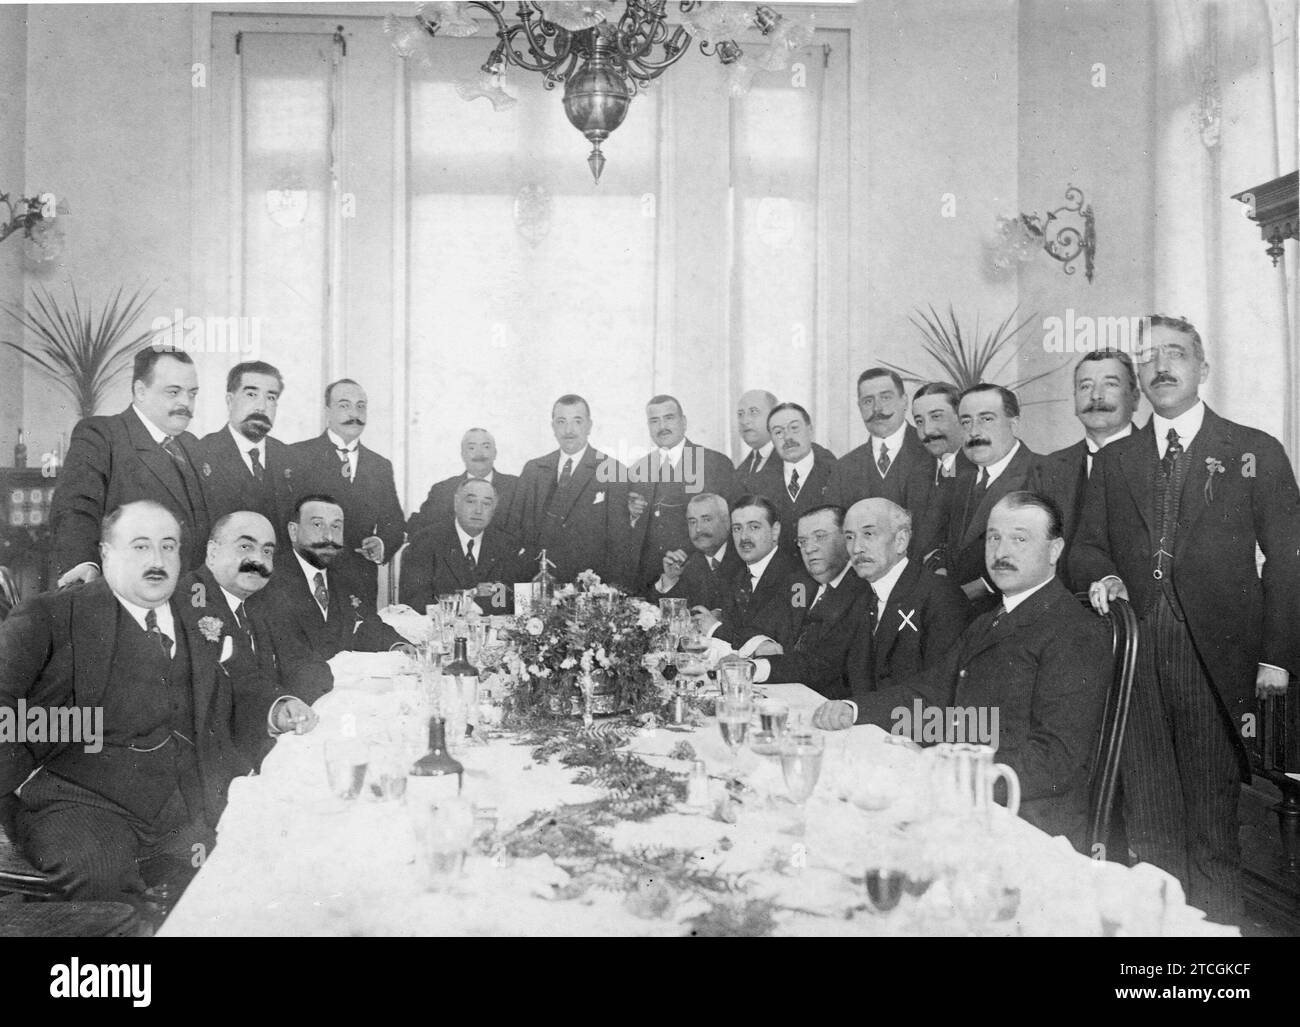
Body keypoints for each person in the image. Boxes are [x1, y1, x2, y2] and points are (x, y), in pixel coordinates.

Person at [1073, 315, 1300, 924]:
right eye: (1148, 357)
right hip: (1136, 661)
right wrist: (1103, 575)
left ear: (1203, 368)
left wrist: (1275, 657)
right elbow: (1084, 548)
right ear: (1139, 377)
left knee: (1212, 832)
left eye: (1175, 353)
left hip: (1216, 662)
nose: (1161, 365)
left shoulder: (1254, 450)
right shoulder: (1117, 459)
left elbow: (1288, 561)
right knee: (1151, 830)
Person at [0, 501, 315, 905]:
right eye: (140, 547)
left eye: (169, 547)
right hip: (78, 802)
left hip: (184, 798)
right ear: (106, 553)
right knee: (102, 879)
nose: (157, 560)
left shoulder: (197, 614)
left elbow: (241, 682)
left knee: (264, 862)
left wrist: (278, 707)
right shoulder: (50, 616)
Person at [820, 492, 1112, 851]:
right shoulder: (988, 621)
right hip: (971, 800)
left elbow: (1056, 759)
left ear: (1054, 551)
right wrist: (854, 710)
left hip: (1027, 821)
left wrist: (953, 775)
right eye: (993, 537)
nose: (1001, 551)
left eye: (1019, 538)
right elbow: (930, 692)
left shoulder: (1072, 630)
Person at [182, 510, 329, 772]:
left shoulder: (255, 601)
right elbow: (232, 684)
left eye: (267, 551)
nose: (257, 560)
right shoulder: (196, 595)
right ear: (212, 552)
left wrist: (286, 704)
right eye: (245, 546)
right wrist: (277, 706)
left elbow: (303, 661)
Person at [50, 348, 211, 584]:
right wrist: (84, 563)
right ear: (140, 391)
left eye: (192, 393)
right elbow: (76, 507)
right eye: (173, 392)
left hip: (188, 596)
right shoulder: (101, 435)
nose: (185, 403)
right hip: (129, 593)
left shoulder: (192, 445)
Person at [813, 498, 969, 719]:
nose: (856, 548)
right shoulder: (859, 594)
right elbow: (821, 662)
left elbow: (937, 692)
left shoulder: (941, 596)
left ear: (901, 540)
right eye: (849, 537)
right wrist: (756, 668)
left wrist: (855, 710)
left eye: (869, 534)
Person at [288, 379, 406, 608]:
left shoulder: (380, 465)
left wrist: (381, 543)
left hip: (359, 580)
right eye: (344, 405)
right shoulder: (296, 456)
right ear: (327, 412)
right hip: (308, 577)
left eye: (361, 406)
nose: (355, 413)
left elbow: (394, 522)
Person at [1028, 350, 1139, 591]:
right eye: (1085, 386)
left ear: (1135, 398)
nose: (1096, 396)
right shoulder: (1047, 470)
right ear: (1075, 400)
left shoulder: (1161, 459)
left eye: (1110, 384)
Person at [256, 494, 407, 660]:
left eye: (336, 527)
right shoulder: (269, 580)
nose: (328, 536)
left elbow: (366, 625)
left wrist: (397, 645)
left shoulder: (346, 572)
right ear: (293, 531)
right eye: (317, 524)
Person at [501, 394, 630, 586]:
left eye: (577, 421)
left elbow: (619, 541)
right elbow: (514, 531)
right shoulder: (534, 469)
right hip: (538, 584)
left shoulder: (612, 470)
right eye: (561, 421)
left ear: (589, 425)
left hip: (588, 587)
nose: (568, 430)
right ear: (553, 426)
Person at [749, 505, 868, 698]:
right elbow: (756, 627)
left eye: (820, 537)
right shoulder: (800, 584)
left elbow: (823, 664)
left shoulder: (863, 591)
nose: (809, 549)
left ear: (847, 538)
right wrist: (762, 643)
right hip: (781, 694)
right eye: (802, 541)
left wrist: (753, 667)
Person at [944, 383, 1039, 614]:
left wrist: (959, 597)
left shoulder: (1040, 474)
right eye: (966, 422)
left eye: (986, 419)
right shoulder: (962, 481)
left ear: (1014, 423)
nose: (974, 432)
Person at [624, 395, 734, 589]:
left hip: (702, 580)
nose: (662, 426)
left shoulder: (715, 463)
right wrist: (631, 515)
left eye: (669, 418)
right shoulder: (638, 470)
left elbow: (731, 525)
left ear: (683, 422)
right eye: (654, 421)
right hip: (651, 584)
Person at [826, 368, 940, 555]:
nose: (877, 409)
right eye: (868, 401)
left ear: (904, 401)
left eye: (885, 397)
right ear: (859, 407)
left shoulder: (934, 453)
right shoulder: (843, 468)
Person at [193, 361, 301, 553]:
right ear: (229, 400)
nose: (261, 406)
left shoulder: (290, 458)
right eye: (251, 394)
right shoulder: (201, 454)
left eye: (271, 397)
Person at [399, 479, 526, 614]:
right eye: (471, 501)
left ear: (494, 509)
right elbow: (414, 601)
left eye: (486, 503)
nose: (479, 510)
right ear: (456, 503)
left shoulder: (505, 544)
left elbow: (505, 600)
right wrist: (470, 596)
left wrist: (476, 605)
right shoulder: (425, 542)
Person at [694, 495, 801, 652]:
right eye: (737, 528)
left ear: (775, 530)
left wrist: (716, 629)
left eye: (754, 527)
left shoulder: (796, 579)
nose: (744, 537)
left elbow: (780, 642)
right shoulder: (736, 575)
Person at [406, 428, 518, 539]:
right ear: (463, 454)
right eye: (472, 448)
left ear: (495, 453)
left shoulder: (516, 487)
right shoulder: (443, 490)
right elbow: (418, 527)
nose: (479, 453)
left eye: (486, 447)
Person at [646, 492, 744, 611]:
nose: (698, 529)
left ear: (727, 522)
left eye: (706, 519)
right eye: (692, 522)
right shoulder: (686, 561)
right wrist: (670, 579)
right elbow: (656, 614)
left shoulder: (746, 558)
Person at [764, 402, 837, 559]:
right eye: (778, 432)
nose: (787, 437)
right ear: (771, 439)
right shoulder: (759, 484)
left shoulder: (837, 474)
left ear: (810, 430)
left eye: (794, 428)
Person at [911, 381, 971, 485]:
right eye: (919, 421)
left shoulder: (980, 470)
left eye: (936, 417)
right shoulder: (916, 475)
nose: (927, 430)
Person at [732, 389, 782, 499]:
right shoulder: (739, 471)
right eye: (740, 414)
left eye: (753, 412)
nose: (745, 421)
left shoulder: (792, 461)